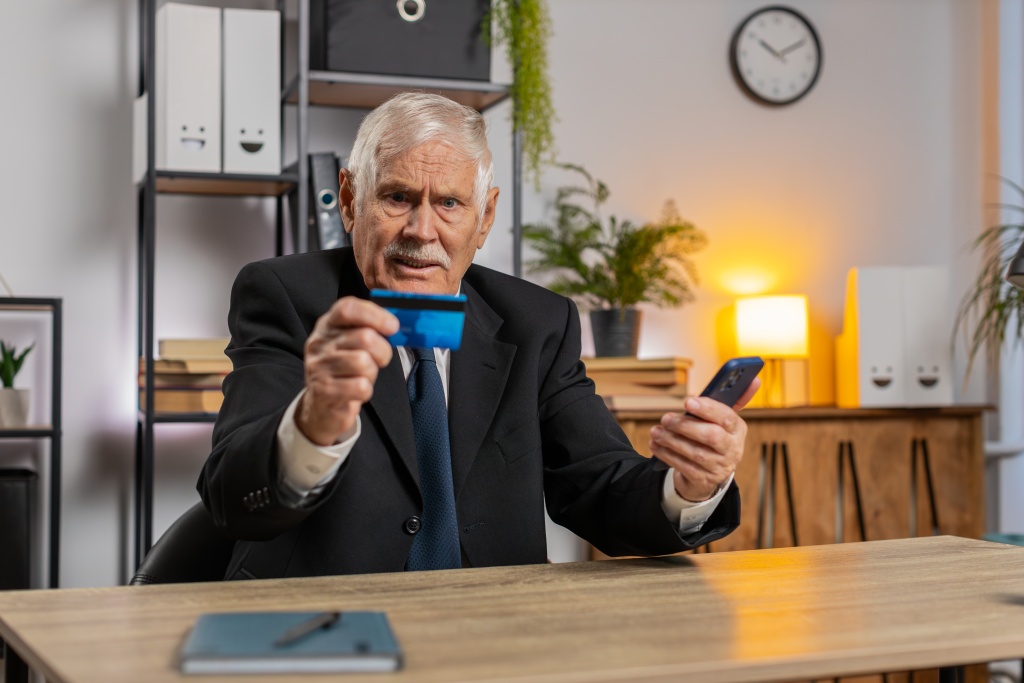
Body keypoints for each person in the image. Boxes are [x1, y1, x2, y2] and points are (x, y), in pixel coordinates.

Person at [197, 92, 758, 580]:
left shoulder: (536, 321)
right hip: (325, 632)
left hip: (491, 636)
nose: (422, 231)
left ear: (484, 217)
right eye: (397, 198)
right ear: (349, 199)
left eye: (449, 203)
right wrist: (312, 423)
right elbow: (231, 499)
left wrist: (689, 486)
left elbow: (598, 487)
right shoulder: (284, 296)